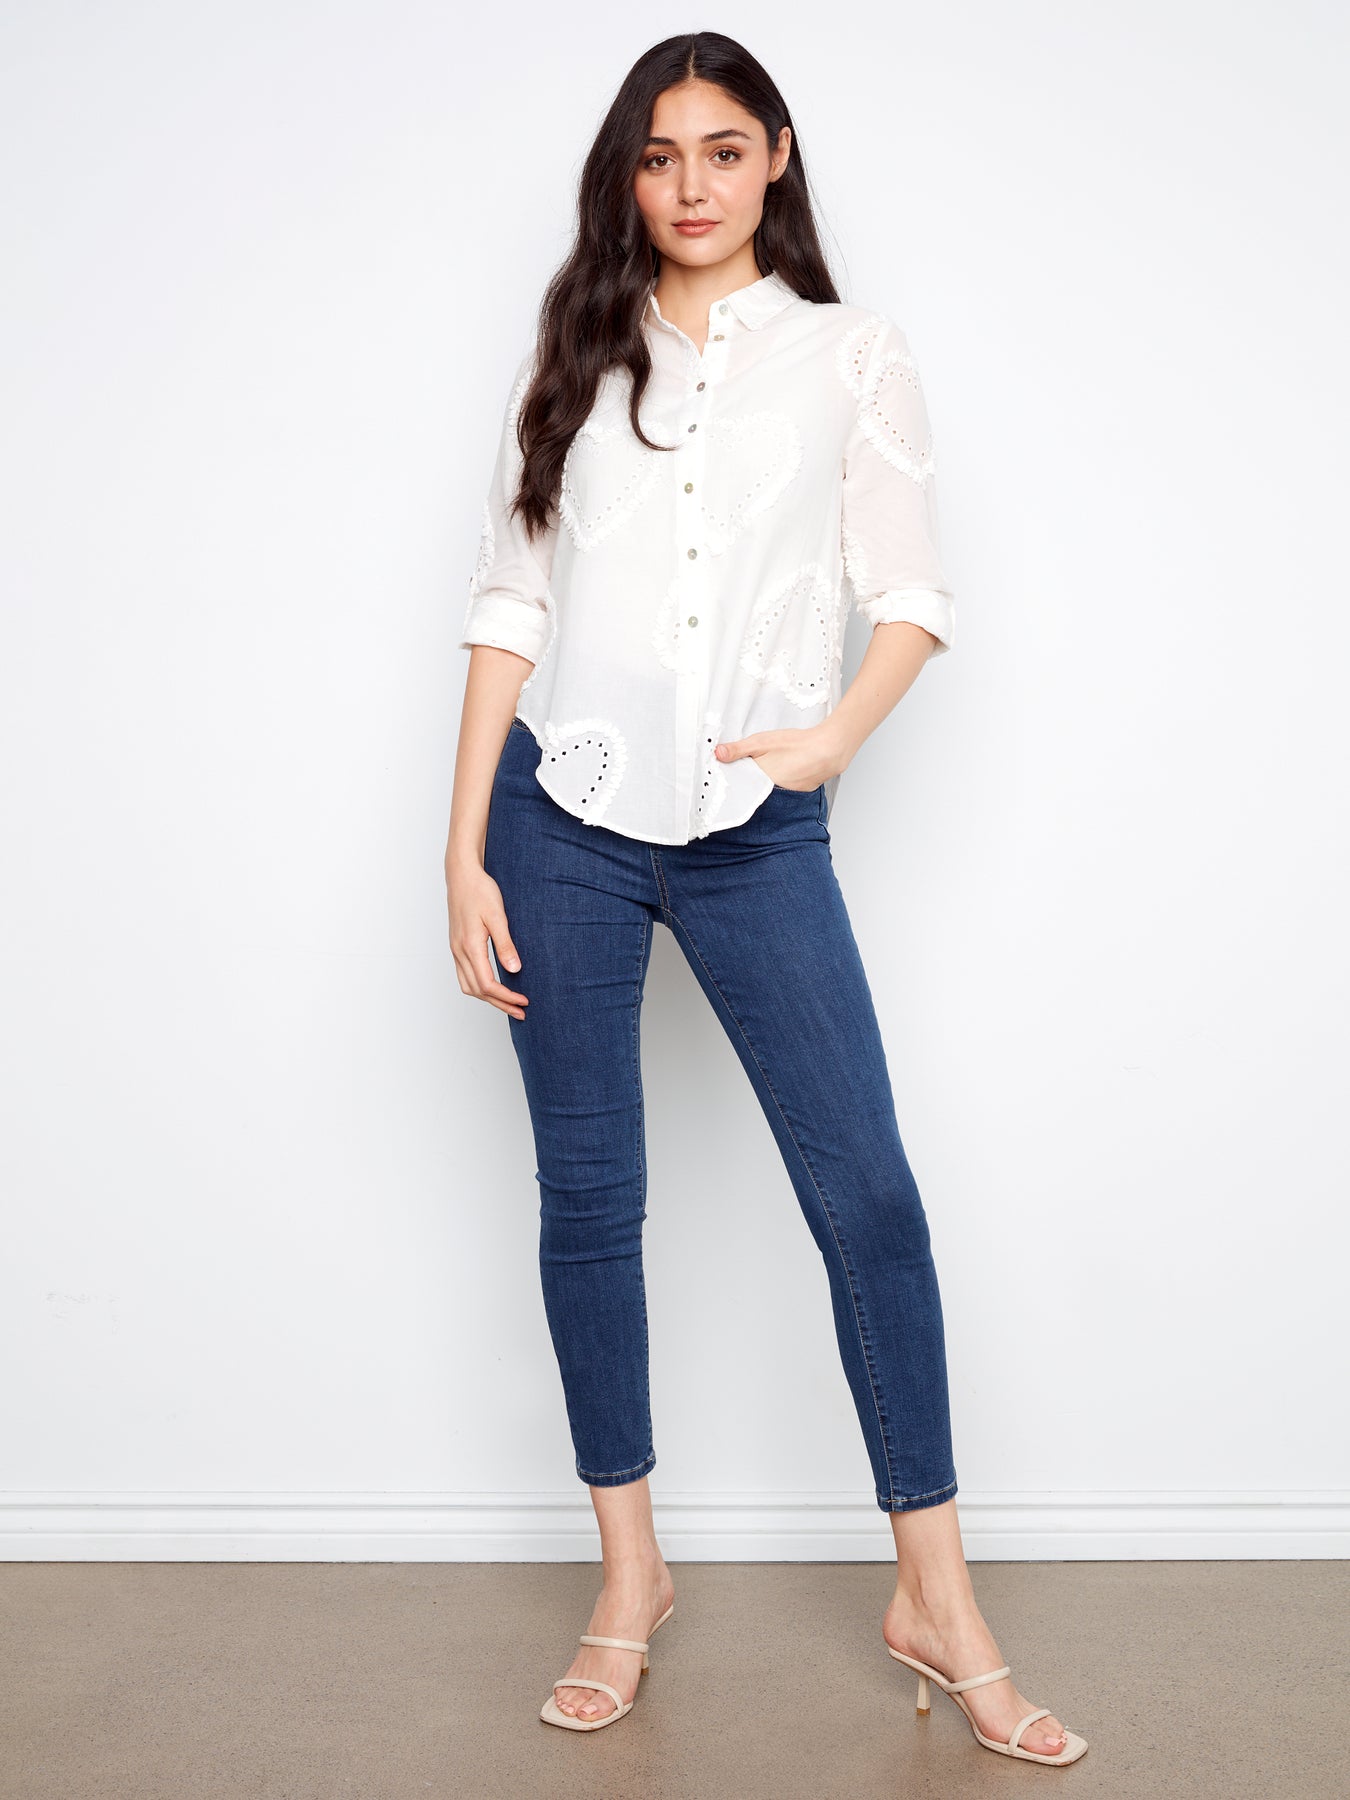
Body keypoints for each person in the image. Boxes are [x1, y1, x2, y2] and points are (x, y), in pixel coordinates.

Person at [444, 30, 1087, 1770]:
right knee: (590, 1203)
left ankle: (936, 1600)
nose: (691, 186)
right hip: (560, 822)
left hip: (753, 827)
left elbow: (913, 593)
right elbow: (509, 605)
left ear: (775, 158)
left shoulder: (850, 355)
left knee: (866, 1198)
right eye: (659, 157)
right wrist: (461, 850)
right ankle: (629, 1579)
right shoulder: (575, 360)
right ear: (628, 176)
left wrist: (828, 741)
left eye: (722, 151)